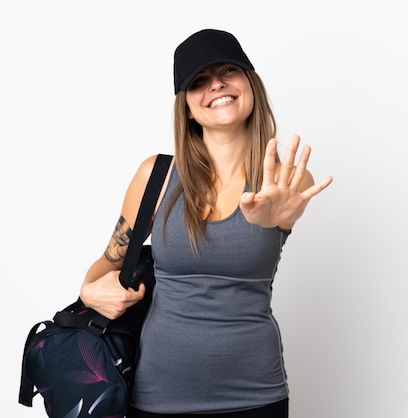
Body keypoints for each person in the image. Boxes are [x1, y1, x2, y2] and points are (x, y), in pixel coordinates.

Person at [79, 28, 333, 418]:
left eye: (228, 70)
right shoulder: (157, 177)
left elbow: (290, 210)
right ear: (187, 107)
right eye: (199, 81)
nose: (216, 85)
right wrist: (90, 290)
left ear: (250, 84)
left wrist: (278, 219)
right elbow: (106, 264)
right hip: (157, 397)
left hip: (256, 395)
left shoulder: (286, 182)